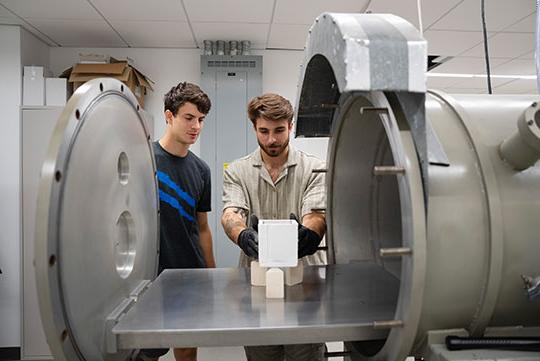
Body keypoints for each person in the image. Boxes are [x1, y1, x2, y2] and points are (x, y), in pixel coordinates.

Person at [221, 93, 327, 361]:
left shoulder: (315, 169)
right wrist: (243, 235)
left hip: (305, 286)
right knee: (262, 354)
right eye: (264, 131)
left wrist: (310, 234)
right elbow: (231, 213)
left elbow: (315, 214)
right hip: (256, 288)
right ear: (254, 128)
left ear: (290, 126)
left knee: (305, 354)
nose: (272, 139)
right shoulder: (237, 171)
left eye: (279, 130)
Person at [139, 82, 216, 361]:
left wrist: (211, 275)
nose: (196, 126)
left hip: (189, 275)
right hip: (149, 275)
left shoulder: (202, 170)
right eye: (189, 117)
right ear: (169, 116)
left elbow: (203, 227)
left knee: (186, 349)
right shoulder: (143, 159)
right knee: (149, 351)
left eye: (201, 120)